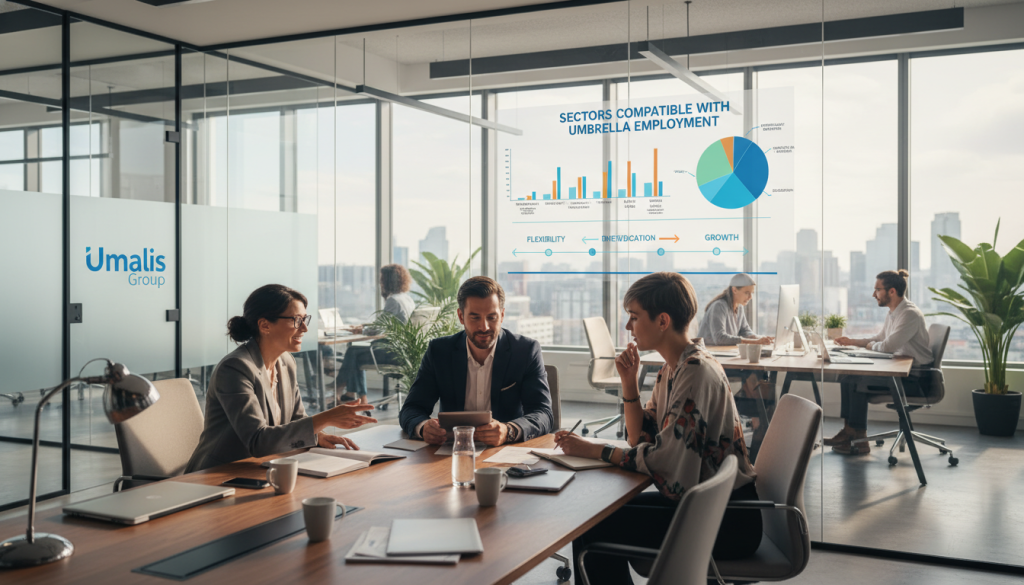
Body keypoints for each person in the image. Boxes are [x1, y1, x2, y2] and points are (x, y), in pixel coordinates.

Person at [556, 272, 761, 585]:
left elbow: (666, 462)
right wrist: (629, 382)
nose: (628, 327)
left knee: (592, 524)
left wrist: (594, 449)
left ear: (662, 321)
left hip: (727, 520)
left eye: (634, 317)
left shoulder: (694, 372)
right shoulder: (674, 366)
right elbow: (641, 437)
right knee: (597, 517)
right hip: (708, 509)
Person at [186, 284, 377, 473]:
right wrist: (327, 418)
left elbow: (296, 419)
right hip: (219, 474)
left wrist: (317, 436)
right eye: (296, 320)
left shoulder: (286, 362)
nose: (304, 328)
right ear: (265, 325)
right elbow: (258, 441)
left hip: (265, 467)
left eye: (305, 319)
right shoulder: (235, 368)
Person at [398, 276, 554, 447]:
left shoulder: (525, 351)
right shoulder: (439, 351)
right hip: (451, 452)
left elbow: (543, 413)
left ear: (502, 315)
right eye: (475, 317)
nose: (484, 327)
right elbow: (411, 409)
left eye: (491, 317)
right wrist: (423, 428)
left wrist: (508, 430)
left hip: (505, 450)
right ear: (461, 316)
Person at [828, 269, 933, 455]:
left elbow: (887, 346)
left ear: (891, 291)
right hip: (904, 373)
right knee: (847, 375)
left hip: (916, 379)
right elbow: (880, 338)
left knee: (856, 379)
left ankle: (859, 440)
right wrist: (853, 342)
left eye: (877, 289)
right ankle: (849, 433)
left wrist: (868, 346)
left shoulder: (909, 314)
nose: (873, 294)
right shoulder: (895, 312)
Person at [333, 264, 415, 406]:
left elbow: (379, 329)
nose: (380, 282)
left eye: (382, 279)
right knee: (355, 353)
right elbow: (388, 324)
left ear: (388, 281)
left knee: (353, 352)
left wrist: (361, 331)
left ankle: (340, 390)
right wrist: (364, 327)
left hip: (393, 354)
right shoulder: (406, 298)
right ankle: (353, 395)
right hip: (404, 351)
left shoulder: (393, 300)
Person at [697, 272, 773, 347]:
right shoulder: (719, 306)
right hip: (709, 352)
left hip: (722, 352)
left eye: (752, 293)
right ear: (734, 290)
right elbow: (720, 338)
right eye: (747, 293)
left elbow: (745, 331)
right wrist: (755, 342)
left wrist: (762, 338)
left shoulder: (739, 307)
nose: (750, 297)